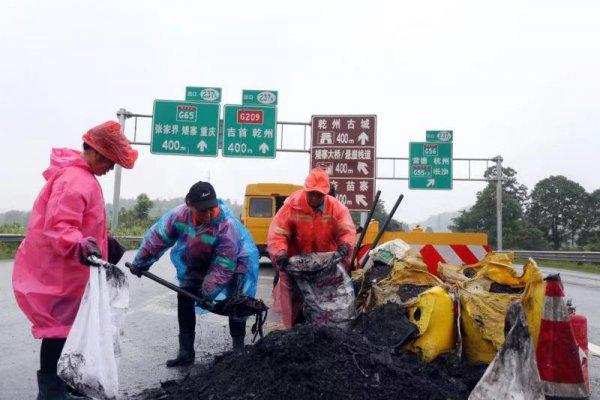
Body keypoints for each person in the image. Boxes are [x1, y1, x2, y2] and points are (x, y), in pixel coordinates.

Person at [12, 121, 138, 399]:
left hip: (69, 270)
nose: (110, 169)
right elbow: (60, 226)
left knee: (66, 331)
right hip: (62, 272)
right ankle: (50, 392)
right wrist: (80, 244)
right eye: (110, 163)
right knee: (58, 331)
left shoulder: (80, 177)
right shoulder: (76, 180)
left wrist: (104, 242)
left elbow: (82, 222)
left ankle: (58, 389)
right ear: (96, 154)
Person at [127, 181, 259, 366]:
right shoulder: (179, 217)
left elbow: (223, 264)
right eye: (202, 210)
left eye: (211, 209)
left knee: (237, 302)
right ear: (190, 205)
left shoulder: (225, 225)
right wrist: (141, 261)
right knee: (185, 295)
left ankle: (238, 349)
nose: (208, 214)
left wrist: (206, 292)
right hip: (199, 259)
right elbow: (158, 237)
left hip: (237, 260)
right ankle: (186, 352)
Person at [267, 167, 357, 328]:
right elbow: (278, 233)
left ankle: (326, 332)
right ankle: (293, 331)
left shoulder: (336, 208)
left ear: (325, 193)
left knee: (327, 302)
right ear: (306, 190)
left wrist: (345, 246)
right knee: (293, 300)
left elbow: (346, 230)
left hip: (325, 266)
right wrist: (280, 253)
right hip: (294, 266)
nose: (315, 197)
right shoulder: (292, 206)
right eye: (312, 193)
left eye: (319, 194)